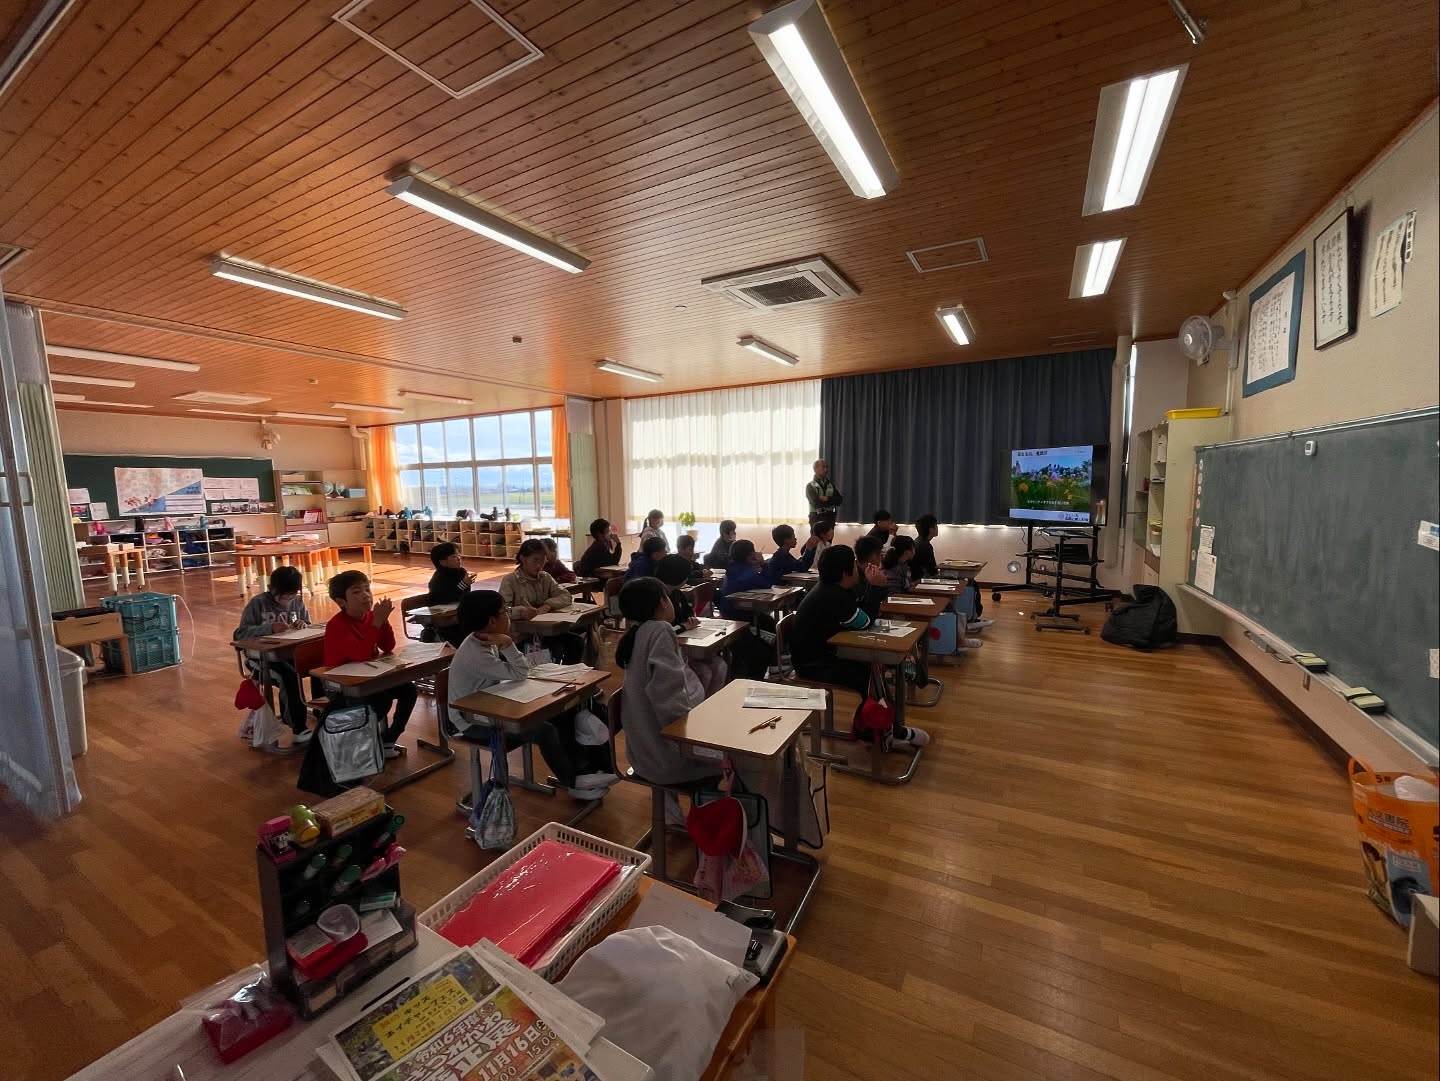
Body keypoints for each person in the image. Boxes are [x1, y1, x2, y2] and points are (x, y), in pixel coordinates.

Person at [447, 590, 618, 800]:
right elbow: (521, 672)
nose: (508, 615)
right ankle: (573, 781)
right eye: (505, 611)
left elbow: (515, 672)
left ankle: (584, 769)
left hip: (490, 705)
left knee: (563, 712)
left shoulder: (483, 640)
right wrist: (508, 644)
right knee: (544, 730)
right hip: (470, 721)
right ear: (492, 621)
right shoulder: (477, 652)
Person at [790, 546, 929, 748]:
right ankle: (884, 732)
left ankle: (876, 728)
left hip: (825, 653)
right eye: (854, 566)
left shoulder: (834, 588)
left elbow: (859, 611)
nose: (858, 568)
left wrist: (872, 587)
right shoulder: (832, 595)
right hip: (813, 664)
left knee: (873, 670)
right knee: (870, 677)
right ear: (845, 573)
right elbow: (864, 622)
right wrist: (877, 588)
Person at [614, 577, 718, 786]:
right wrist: (699, 741)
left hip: (643, 754)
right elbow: (669, 703)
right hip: (667, 758)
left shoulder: (638, 632)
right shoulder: (660, 630)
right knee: (743, 756)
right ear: (662, 603)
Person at [322, 570, 417, 757]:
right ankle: (363, 743)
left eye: (367, 589)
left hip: (369, 678)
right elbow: (360, 655)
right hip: (341, 685)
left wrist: (383, 621)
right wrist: (377, 623)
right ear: (341, 602)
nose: (366, 595)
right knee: (380, 701)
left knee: (408, 690)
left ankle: (389, 738)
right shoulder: (337, 625)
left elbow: (388, 646)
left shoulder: (371, 617)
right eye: (357, 592)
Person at [234, 565, 316, 741]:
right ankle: (298, 727)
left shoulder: (297, 602)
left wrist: (303, 624)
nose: (287, 600)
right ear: (272, 588)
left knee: (318, 666)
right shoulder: (258, 603)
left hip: (289, 653)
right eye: (283, 596)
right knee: (289, 676)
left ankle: (320, 711)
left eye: (291, 595)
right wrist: (269, 628)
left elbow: (309, 624)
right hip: (261, 659)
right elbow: (240, 634)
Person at [500, 538, 584, 664]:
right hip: (522, 636)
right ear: (523, 559)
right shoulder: (510, 581)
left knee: (576, 642)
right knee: (554, 650)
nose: (539, 565)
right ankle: (552, 674)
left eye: (542, 561)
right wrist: (520, 612)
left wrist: (548, 605)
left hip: (546, 632)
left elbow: (566, 596)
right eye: (535, 560)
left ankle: (569, 674)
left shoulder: (545, 577)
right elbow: (501, 611)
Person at [656, 554, 726, 696]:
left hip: (685, 644)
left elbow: (688, 612)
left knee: (720, 666)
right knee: (705, 673)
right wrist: (684, 626)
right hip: (674, 651)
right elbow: (664, 630)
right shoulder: (658, 598)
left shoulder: (676, 593)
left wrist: (690, 619)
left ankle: (710, 702)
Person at [912, 513, 991, 633]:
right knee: (969, 582)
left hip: (925, 578)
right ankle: (970, 620)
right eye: (936, 526)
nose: (937, 528)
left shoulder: (919, 542)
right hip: (925, 581)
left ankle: (969, 619)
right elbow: (932, 572)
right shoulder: (925, 546)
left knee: (967, 581)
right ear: (931, 529)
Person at [425, 542, 474, 647]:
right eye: (454, 556)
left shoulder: (461, 572)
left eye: (458, 555)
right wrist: (463, 584)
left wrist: (465, 585)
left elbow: (465, 594)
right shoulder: (438, 579)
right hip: (444, 617)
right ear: (443, 562)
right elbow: (446, 598)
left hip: (457, 611)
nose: (459, 558)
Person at [716, 539, 770, 619]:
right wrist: (763, 563)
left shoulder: (732, 567)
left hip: (727, 611)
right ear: (751, 555)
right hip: (741, 614)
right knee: (769, 622)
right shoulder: (748, 573)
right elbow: (767, 584)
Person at [853, 535, 890, 619]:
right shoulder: (854, 578)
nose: (881, 559)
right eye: (880, 555)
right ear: (873, 557)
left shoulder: (863, 571)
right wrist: (878, 586)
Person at [805, 459, 842, 525]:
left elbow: (839, 500)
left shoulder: (831, 485)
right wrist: (832, 501)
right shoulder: (810, 486)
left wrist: (827, 498)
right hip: (816, 517)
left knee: (829, 533)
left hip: (830, 517)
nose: (826, 470)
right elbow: (816, 503)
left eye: (826, 467)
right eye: (823, 467)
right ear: (815, 469)